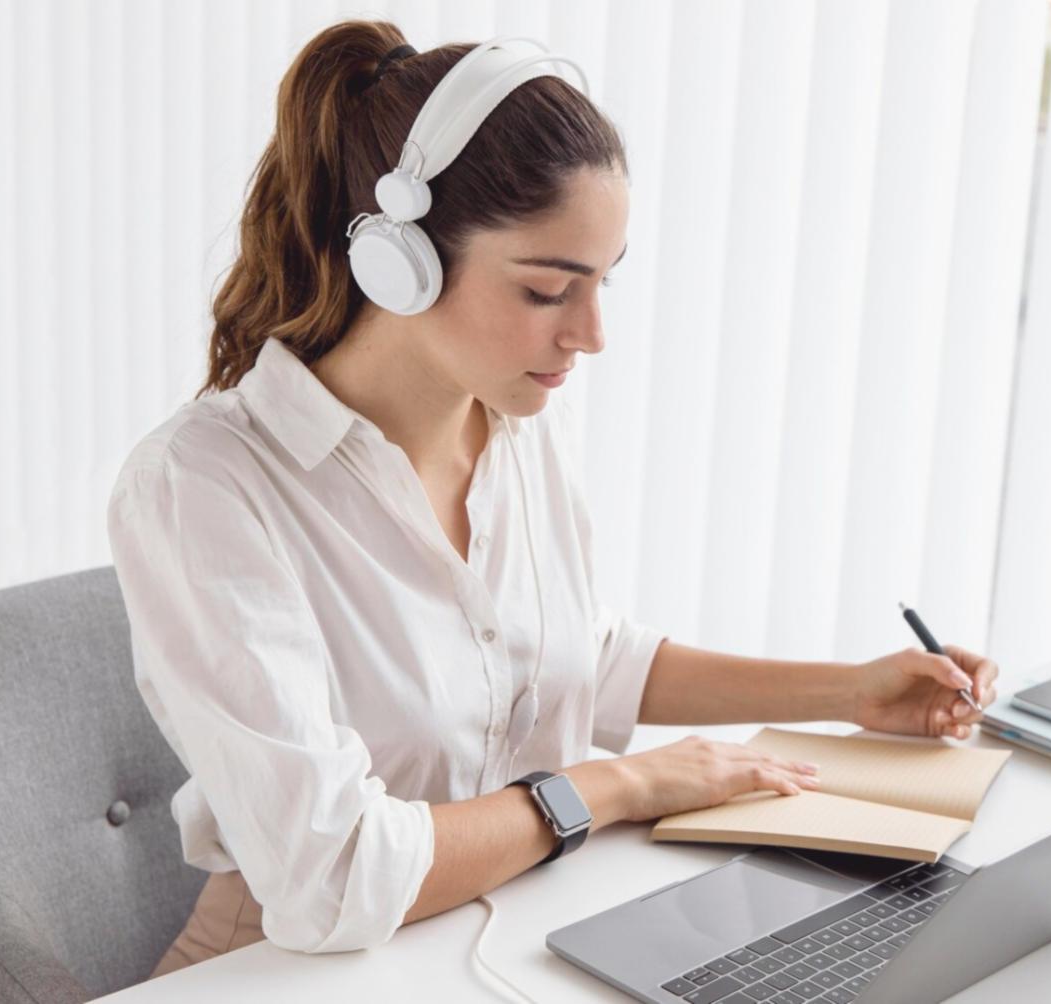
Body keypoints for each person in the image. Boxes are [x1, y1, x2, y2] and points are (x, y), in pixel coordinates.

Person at [108, 20, 998, 977]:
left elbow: (581, 658)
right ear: (397, 264)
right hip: (287, 971)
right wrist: (616, 787)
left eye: (603, 282)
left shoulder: (518, 424)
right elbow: (334, 878)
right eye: (547, 290)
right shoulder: (203, 486)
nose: (592, 333)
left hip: (519, 936)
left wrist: (848, 692)